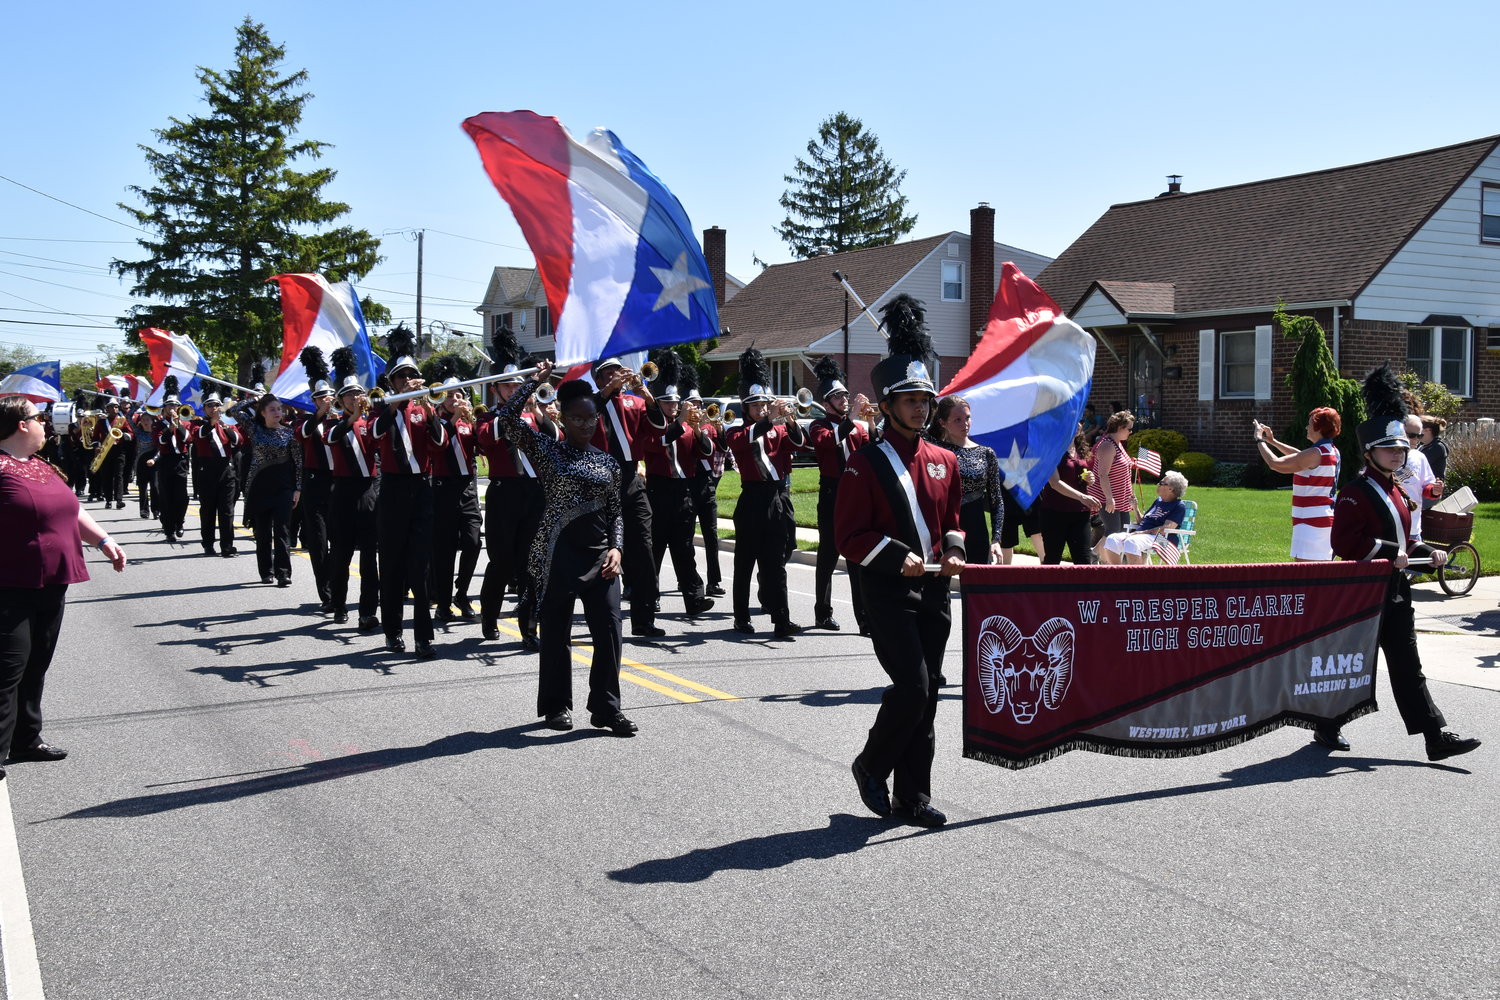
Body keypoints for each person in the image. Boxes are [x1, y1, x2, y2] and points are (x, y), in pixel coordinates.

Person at [835, 293, 964, 828]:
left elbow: (954, 519)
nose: (919, 407)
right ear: (886, 406)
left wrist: (953, 551)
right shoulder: (864, 463)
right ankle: (871, 762)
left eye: (925, 399)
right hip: (886, 591)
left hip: (934, 589)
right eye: (908, 400)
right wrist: (898, 557)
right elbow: (848, 535)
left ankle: (913, 797)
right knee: (911, 686)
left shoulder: (946, 460)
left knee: (929, 694)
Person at [1317, 365, 1480, 762]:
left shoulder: (1400, 493)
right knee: (1354, 664)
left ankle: (1434, 737)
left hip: (1394, 590)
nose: (1399, 453)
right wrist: (1393, 554)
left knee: (1408, 663)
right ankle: (1326, 724)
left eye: (1402, 449)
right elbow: (1344, 542)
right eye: (1390, 449)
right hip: (1361, 592)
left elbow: (1409, 543)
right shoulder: (1356, 492)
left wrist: (1430, 556)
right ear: (1370, 452)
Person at [500, 361, 636, 736]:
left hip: (601, 558)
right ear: (563, 418)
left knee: (609, 630)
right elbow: (508, 420)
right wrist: (533, 382)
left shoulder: (607, 462)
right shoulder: (548, 450)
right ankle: (557, 705)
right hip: (558, 554)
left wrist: (618, 550)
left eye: (591, 418)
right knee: (556, 634)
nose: (586, 425)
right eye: (577, 419)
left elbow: (616, 514)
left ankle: (606, 708)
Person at [0, 395, 127, 778]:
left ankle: (27, 739)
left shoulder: (41, 465)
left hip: (53, 580)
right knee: (8, 668)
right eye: (39, 417)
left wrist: (104, 541)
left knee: (36, 663)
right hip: (9, 583)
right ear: (22, 424)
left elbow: (72, 508)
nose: (44, 423)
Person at [371, 326, 445, 658]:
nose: (407, 381)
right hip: (393, 489)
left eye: (411, 376)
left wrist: (430, 413)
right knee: (391, 565)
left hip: (423, 490)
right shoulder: (383, 407)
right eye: (401, 377)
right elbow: (374, 433)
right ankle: (393, 631)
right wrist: (395, 403)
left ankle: (424, 637)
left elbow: (441, 443)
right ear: (391, 380)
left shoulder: (424, 407)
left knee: (420, 565)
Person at [725, 346, 806, 638]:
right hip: (751, 500)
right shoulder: (735, 431)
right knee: (745, 563)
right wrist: (768, 418)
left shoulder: (778, 429)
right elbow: (745, 440)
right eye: (756, 406)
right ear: (746, 408)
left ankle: (781, 619)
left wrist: (791, 418)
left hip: (776, 500)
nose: (762, 409)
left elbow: (798, 444)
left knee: (776, 565)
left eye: (765, 404)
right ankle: (741, 617)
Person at [475, 327, 548, 647]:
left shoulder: (534, 418)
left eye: (517, 384)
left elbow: (554, 444)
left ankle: (529, 627)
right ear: (496, 389)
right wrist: (530, 385)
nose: (513, 389)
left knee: (532, 563)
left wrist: (543, 411)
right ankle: (489, 616)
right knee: (501, 563)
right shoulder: (488, 420)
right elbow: (504, 422)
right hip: (504, 493)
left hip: (534, 493)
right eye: (508, 385)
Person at [590, 356, 662, 638]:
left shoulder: (636, 401)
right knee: (601, 551)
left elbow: (659, 429)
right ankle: (603, 616)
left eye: (618, 372)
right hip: (600, 479)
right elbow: (585, 416)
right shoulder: (591, 401)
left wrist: (649, 398)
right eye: (608, 374)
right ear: (598, 379)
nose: (615, 376)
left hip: (632, 479)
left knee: (643, 547)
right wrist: (607, 391)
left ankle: (644, 619)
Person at [640, 352, 715, 620]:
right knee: (655, 549)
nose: (673, 406)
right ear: (658, 403)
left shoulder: (684, 426)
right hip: (659, 490)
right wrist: (681, 422)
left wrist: (697, 428)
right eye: (668, 403)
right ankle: (651, 597)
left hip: (684, 491)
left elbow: (706, 452)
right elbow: (657, 444)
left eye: (675, 402)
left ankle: (694, 598)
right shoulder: (650, 424)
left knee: (685, 548)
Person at [807, 355, 873, 632]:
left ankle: (864, 618)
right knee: (828, 555)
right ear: (826, 403)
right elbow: (829, 442)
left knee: (858, 557)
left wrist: (870, 423)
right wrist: (855, 417)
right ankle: (823, 612)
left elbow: (873, 452)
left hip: (856, 495)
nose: (845, 399)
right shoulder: (818, 425)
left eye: (845, 395)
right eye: (837, 396)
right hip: (832, 493)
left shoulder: (858, 426)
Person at [325, 348, 381, 629]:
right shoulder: (335, 424)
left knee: (370, 556)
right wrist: (352, 417)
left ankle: (368, 611)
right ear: (340, 400)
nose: (355, 398)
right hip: (344, 493)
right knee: (342, 554)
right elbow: (331, 438)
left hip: (368, 491)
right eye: (349, 394)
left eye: (358, 393)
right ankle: (338, 604)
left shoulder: (371, 423)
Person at [428, 377, 483, 625]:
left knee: (472, 542)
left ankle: (462, 593)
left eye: (459, 395)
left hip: (467, 488)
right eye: (450, 396)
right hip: (443, 488)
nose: (455, 400)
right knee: (445, 550)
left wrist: (474, 422)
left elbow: (482, 447)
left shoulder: (467, 422)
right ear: (441, 399)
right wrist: (453, 419)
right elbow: (438, 444)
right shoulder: (436, 421)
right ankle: (444, 601)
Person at [1253, 407, 1341, 561]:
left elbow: (1275, 464)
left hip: (1310, 524)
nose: (1306, 427)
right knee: (1321, 578)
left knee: (1306, 579)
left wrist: (1259, 440)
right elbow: (1299, 455)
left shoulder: (1316, 453)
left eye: (1309, 424)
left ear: (1318, 428)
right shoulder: (1330, 450)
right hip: (1323, 520)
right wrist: (1272, 441)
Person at [930, 395, 1003, 566]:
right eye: (957, 420)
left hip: (976, 528)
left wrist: (996, 540)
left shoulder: (986, 453)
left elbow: (996, 500)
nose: (965, 424)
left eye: (967, 417)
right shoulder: (933, 449)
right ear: (942, 423)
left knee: (977, 588)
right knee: (939, 587)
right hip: (942, 527)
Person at [240, 394, 301, 588]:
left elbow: (299, 463)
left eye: (279, 409)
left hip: (283, 488)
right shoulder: (254, 428)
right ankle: (266, 572)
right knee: (263, 533)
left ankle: (283, 573)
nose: (277, 412)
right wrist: (253, 399)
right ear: (263, 413)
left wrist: (298, 488)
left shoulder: (290, 433)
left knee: (282, 531)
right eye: (272, 409)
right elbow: (234, 410)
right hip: (259, 487)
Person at [294, 348, 338, 608]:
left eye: (329, 395)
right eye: (320, 397)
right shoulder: (305, 420)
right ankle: (327, 594)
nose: (325, 400)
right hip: (315, 483)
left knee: (340, 539)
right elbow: (304, 434)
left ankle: (337, 584)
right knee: (318, 541)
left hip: (340, 482)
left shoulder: (343, 420)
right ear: (313, 400)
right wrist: (320, 414)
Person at [682, 376, 726, 598]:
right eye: (692, 404)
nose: (697, 407)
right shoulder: (680, 427)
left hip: (706, 481)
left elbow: (723, 447)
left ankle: (714, 581)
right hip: (687, 481)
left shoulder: (708, 425)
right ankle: (688, 579)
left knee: (711, 533)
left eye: (698, 404)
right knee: (686, 534)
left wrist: (721, 428)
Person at [1038, 430, 1103, 564]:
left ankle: (1081, 586)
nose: (1078, 426)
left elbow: (1079, 474)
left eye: (1079, 423)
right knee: (1052, 560)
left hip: (1080, 513)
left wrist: (1090, 478)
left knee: (1083, 560)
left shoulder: (1080, 449)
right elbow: (1055, 483)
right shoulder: (1051, 449)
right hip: (1055, 512)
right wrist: (1082, 497)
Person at [1102, 471, 1188, 564]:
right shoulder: (1158, 501)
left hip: (1163, 540)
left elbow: (1165, 528)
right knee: (1112, 539)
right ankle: (1119, 574)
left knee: (1132, 541)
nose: (1158, 484)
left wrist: (1141, 532)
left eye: (1161, 483)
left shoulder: (1179, 506)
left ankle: (1138, 576)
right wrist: (1135, 508)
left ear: (1171, 488)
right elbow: (1142, 522)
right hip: (1145, 535)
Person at [193, 391, 241, 558]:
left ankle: (227, 546)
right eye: (210, 405)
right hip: (207, 470)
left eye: (216, 405)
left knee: (227, 510)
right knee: (208, 509)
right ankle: (208, 543)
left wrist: (225, 426)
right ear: (204, 409)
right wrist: (212, 422)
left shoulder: (227, 423)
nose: (214, 408)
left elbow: (238, 440)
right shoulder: (198, 424)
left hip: (226, 470)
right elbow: (199, 435)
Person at [1087, 410, 1137, 559]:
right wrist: (1109, 498)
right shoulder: (1107, 445)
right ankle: (1095, 554)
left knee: (1122, 532)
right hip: (1106, 496)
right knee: (1113, 531)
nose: (1131, 432)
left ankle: (1099, 557)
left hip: (1120, 496)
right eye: (1129, 428)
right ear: (1120, 427)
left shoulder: (1118, 443)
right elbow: (1103, 474)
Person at [150, 378, 192, 542]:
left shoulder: (185, 422)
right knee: (166, 496)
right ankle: (169, 529)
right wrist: (170, 428)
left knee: (182, 496)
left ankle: (179, 522)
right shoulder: (158, 424)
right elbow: (160, 441)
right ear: (164, 408)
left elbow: (188, 439)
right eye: (169, 406)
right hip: (165, 461)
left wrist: (178, 425)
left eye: (175, 406)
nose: (172, 408)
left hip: (181, 461)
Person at [1393, 414, 1439, 539]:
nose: (1415, 440)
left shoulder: (1419, 457)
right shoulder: (1386, 455)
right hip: (1390, 525)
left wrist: (1434, 490)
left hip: (1413, 526)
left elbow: (1427, 486)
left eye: (1419, 436)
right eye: (1411, 436)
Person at [1419, 415, 1449, 508]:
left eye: (1419, 429)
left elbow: (1417, 465)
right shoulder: (1423, 446)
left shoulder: (1437, 447)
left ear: (1427, 430)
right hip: (1422, 489)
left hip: (1431, 493)